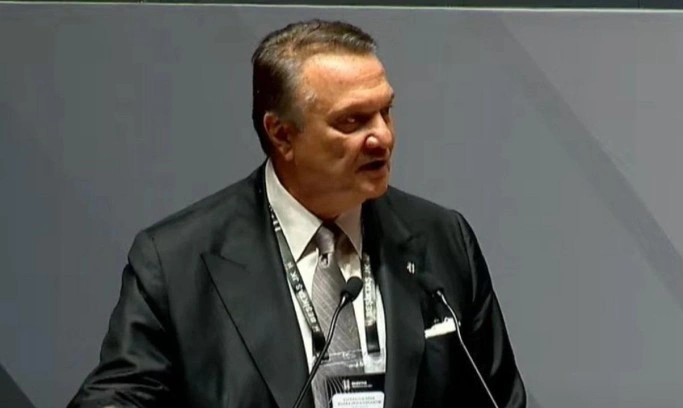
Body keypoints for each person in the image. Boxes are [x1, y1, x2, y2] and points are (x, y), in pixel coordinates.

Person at [68, 19, 526, 408]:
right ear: (282, 134)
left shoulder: (442, 239)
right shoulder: (178, 261)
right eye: (353, 121)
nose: (382, 137)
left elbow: (500, 398)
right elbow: (118, 396)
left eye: (386, 112)